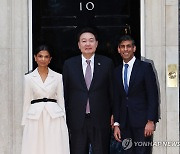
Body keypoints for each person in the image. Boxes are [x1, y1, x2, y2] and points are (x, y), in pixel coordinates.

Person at [63, 27, 114, 154]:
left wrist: (114, 115)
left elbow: (112, 92)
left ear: (96, 43)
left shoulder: (107, 63)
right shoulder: (69, 65)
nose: (88, 44)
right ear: (79, 45)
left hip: (101, 119)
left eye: (91, 40)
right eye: (84, 41)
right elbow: (65, 93)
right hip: (77, 120)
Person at [113, 35, 159, 154]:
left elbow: (153, 95)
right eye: (122, 47)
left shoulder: (145, 67)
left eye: (128, 46)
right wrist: (116, 124)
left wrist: (151, 120)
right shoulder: (116, 71)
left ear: (134, 48)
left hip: (143, 123)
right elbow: (117, 99)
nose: (125, 49)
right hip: (124, 124)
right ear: (119, 49)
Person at [21, 45, 70, 154]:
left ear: (50, 59)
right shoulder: (28, 78)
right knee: (35, 146)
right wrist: (25, 122)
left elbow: (61, 99)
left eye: (46, 57)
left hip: (54, 116)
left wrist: (64, 120)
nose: (43, 59)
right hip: (35, 117)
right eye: (40, 56)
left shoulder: (58, 77)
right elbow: (26, 100)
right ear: (35, 58)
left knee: (54, 146)